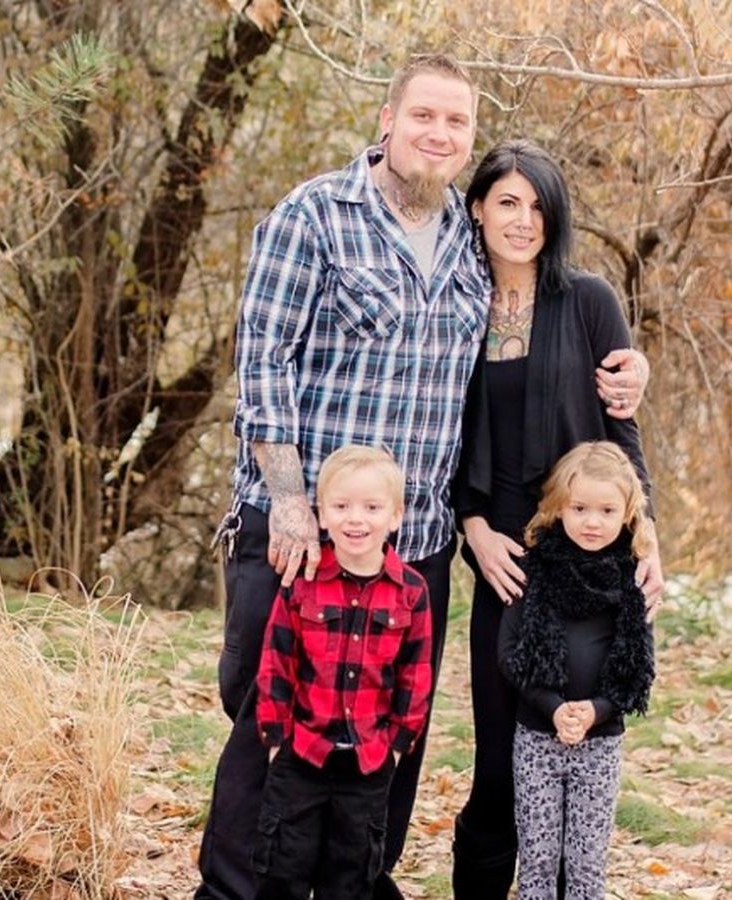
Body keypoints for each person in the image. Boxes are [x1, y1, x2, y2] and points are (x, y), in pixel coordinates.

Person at [199, 54, 648, 900]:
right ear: (388, 120)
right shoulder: (314, 216)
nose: (439, 134)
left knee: (388, 734)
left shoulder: (467, 245)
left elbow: (537, 331)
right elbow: (261, 365)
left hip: (416, 545)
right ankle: (233, 890)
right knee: (272, 728)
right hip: (307, 530)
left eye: (456, 122)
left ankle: (358, 882)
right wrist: (290, 504)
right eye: (424, 116)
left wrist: (630, 371)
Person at [450, 139, 664, 899]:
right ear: (478, 208)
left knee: (579, 752)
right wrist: (473, 528)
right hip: (503, 557)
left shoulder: (589, 301)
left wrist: (648, 536)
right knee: (497, 767)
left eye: (539, 206)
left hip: (587, 557)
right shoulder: (452, 301)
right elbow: (439, 430)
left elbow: (622, 430)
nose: (523, 220)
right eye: (507, 202)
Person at [253, 446, 433, 899]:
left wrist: (397, 745)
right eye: (341, 506)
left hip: (368, 762)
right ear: (322, 513)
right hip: (302, 755)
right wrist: (275, 738)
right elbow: (277, 661)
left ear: (395, 516)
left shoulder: (411, 592)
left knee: (351, 878)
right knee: (283, 869)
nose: (356, 519)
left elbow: (415, 677)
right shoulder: (303, 581)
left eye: (372, 508)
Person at [499, 441, 656, 898]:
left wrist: (596, 710)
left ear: (627, 514)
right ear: (558, 507)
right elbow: (510, 653)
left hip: (600, 744)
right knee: (538, 859)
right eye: (580, 508)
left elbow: (639, 669)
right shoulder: (534, 571)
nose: (592, 521)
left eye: (607, 511)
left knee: (586, 865)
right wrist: (552, 708)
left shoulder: (633, 580)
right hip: (536, 739)